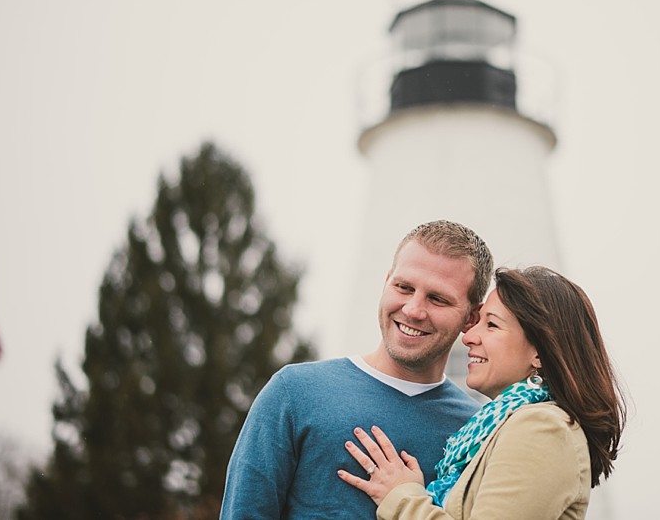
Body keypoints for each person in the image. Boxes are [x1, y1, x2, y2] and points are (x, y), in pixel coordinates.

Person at [220, 220, 494, 519]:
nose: (414, 310)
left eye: (437, 299)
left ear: (471, 317)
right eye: (403, 287)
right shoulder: (294, 393)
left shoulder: (479, 431)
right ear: (386, 282)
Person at [338, 266, 626, 520]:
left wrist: (402, 498)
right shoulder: (498, 428)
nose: (469, 336)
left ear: (539, 352)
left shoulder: (543, 428)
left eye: (491, 325)